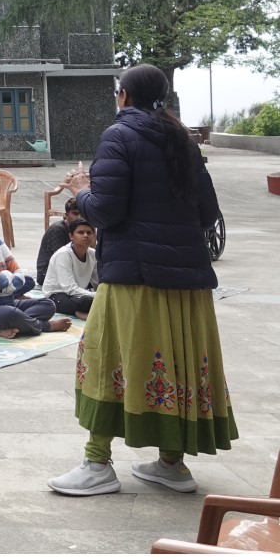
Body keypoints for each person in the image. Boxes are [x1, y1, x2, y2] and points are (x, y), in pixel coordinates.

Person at [49, 66, 235, 497]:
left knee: (108, 360)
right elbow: (208, 214)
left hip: (134, 277)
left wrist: (82, 190)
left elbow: (106, 210)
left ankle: (97, 463)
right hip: (187, 282)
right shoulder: (183, 141)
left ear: (124, 96)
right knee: (175, 365)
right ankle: (171, 464)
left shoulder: (118, 136)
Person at [0, 202, 68, 338]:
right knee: (11, 314)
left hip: (4, 302)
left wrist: (3, 280)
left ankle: (4, 326)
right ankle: (44, 326)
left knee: (48, 304)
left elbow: (20, 276)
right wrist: (7, 276)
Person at [43, 221, 99, 319]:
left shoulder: (93, 254)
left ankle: (82, 310)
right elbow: (69, 288)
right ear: (71, 236)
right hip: (57, 294)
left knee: (105, 300)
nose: (86, 235)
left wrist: (101, 294)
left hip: (77, 294)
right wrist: (96, 295)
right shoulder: (63, 254)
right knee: (87, 302)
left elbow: (96, 282)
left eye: (89, 233)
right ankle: (78, 312)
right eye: (81, 232)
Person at [37, 196, 84, 282]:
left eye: (82, 214)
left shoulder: (84, 229)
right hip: (47, 273)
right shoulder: (58, 229)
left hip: (71, 270)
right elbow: (60, 259)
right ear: (66, 215)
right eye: (75, 214)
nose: (79, 218)